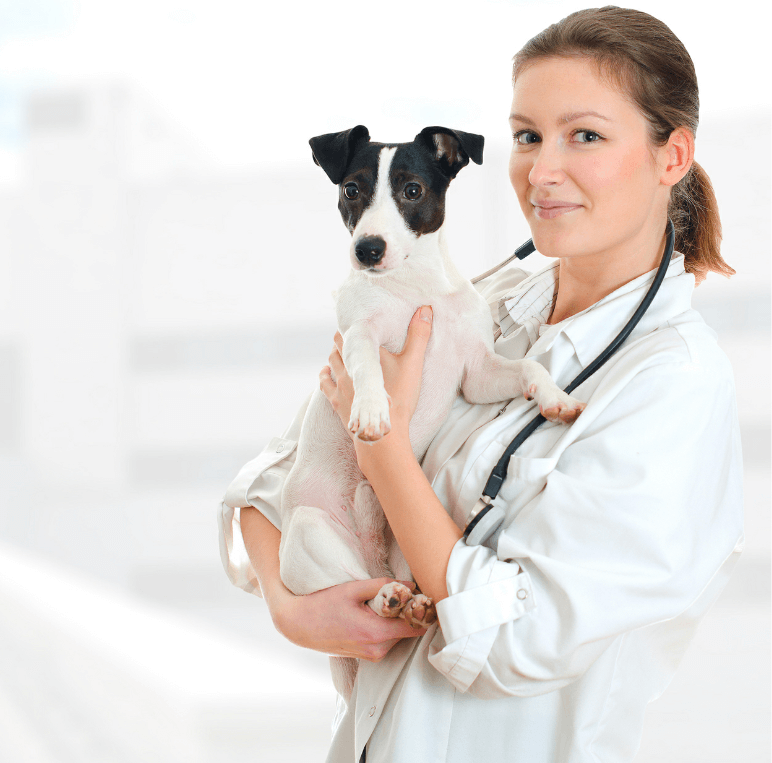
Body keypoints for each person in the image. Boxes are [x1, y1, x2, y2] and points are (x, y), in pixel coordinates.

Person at [217, 7, 744, 762]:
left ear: (672, 156)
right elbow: (276, 472)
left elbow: (514, 643)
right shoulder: (478, 301)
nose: (543, 169)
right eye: (528, 135)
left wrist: (387, 457)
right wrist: (290, 607)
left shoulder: (674, 385)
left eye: (585, 135)